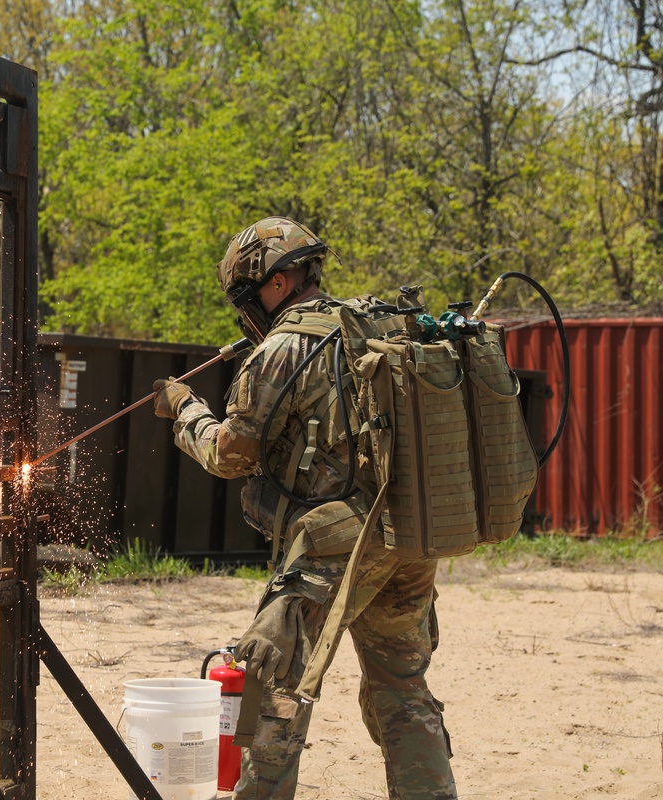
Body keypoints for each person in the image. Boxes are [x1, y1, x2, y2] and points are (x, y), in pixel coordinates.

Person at [152, 217, 457, 800]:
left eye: (246, 298)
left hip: (334, 547)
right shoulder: (372, 323)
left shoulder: (285, 347)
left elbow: (230, 455)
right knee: (401, 690)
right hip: (409, 536)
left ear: (278, 282)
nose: (246, 312)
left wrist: (185, 409)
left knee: (268, 691)